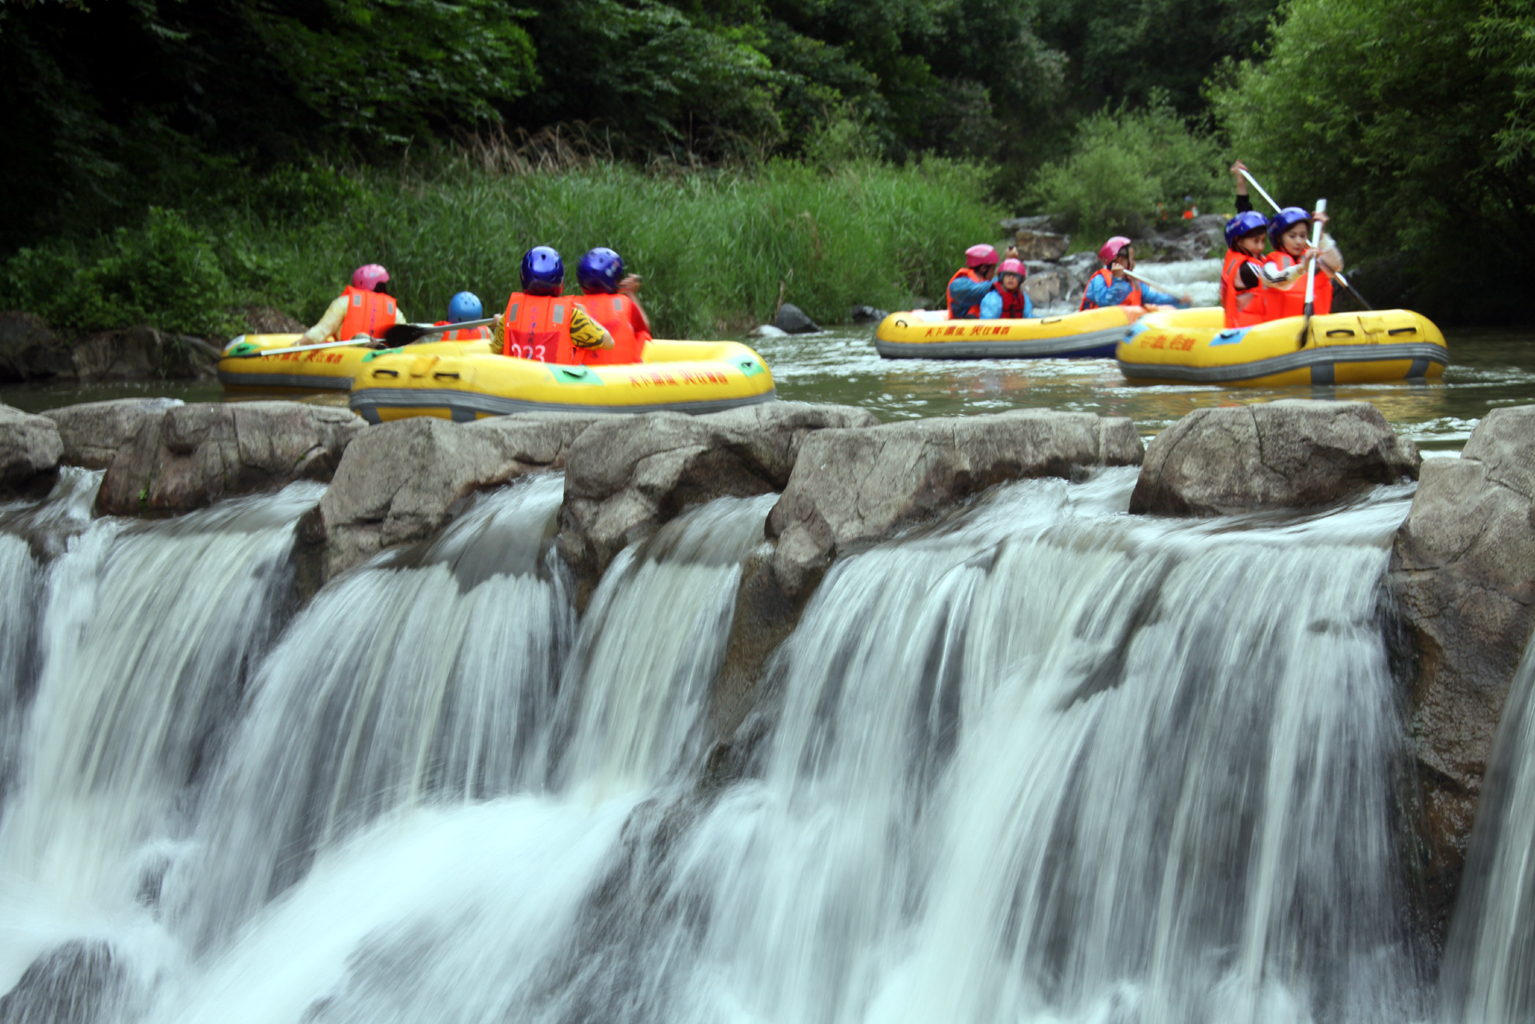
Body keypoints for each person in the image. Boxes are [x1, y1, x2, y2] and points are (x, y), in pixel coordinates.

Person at [496, 246, 612, 363]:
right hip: (551, 380)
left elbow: (496, 347)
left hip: (518, 379)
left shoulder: (510, 315)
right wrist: (585, 315)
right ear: (560, 282)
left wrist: (500, 323)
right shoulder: (572, 316)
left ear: (523, 277)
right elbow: (609, 343)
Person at [1259, 207, 1343, 320]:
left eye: (1302, 236)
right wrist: (1302, 267)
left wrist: (1321, 234)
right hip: (1282, 334)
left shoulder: (1313, 260)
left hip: (1316, 333)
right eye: (1292, 236)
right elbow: (1279, 280)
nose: (1298, 241)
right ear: (1279, 238)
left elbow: (1336, 265)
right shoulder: (1269, 266)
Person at [572, 247, 651, 365]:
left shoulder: (571, 305)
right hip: (622, 376)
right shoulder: (625, 303)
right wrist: (631, 294)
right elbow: (645, 328)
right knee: (642, 335)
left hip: (582, 376)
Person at [1078, 237, 1190, 311]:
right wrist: (1118, 279)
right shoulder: (1098, 280)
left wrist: (1178, 299)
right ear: (1120, 261)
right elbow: (1107, 304)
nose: (1134, 264)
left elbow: (1156, 298)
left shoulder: (1134, 284)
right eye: (1132, 259)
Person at [303, 264, 405, 343]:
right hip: (381, 356)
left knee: (360, 338)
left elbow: (320, 332)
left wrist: (298, 344)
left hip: (350, 352)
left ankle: (366, 342)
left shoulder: (344, 302)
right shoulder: (394, 310)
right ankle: (372, 344)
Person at [1219, 211, 1270, 328]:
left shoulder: (1238, 260)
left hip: (1249, 327)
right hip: (1249, 332)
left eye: (1263, 241)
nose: (1260, 247)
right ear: (1239, 240)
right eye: (1256, 241)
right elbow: (1279, 278)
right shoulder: (1246, 269)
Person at [948, 244, 999, 318]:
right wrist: (1005, 274)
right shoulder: (958, 284)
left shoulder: (984, 283)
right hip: (964, 328)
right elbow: (980, 292)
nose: (993, 273)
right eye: (992, 270)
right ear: (983, 269)